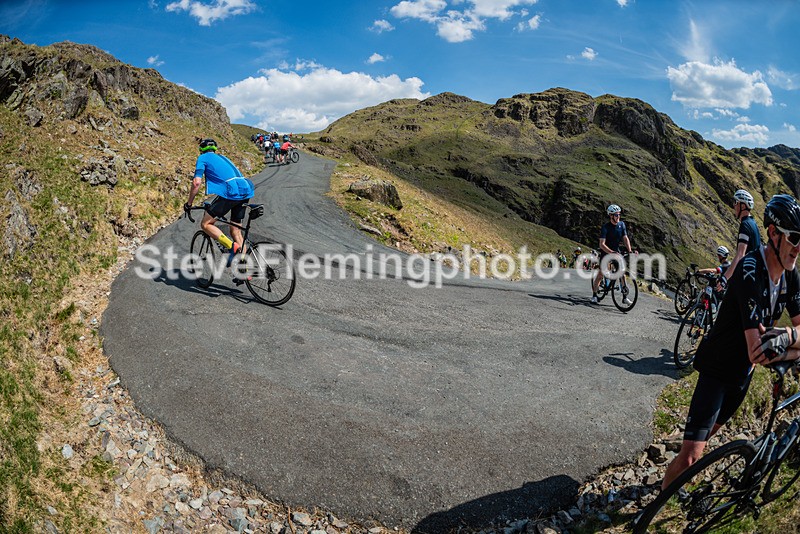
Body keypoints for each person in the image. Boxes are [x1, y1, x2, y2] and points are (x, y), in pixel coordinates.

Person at [659, 194, 800, 491]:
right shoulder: (750, 271)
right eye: (794, 238)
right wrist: (790, 347)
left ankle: (672, 484)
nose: (798, 249)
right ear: (773, 233)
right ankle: (656, 502)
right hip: (718, 371)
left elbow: (782, 339)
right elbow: (757, 351)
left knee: (706, 439)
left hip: (741, 378)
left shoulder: (791, 276)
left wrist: (786, 336)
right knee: (690, 458)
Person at [184, 138, 255, 276]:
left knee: (206, 224)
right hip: (245, 189)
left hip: (230, 192)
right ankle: (244, 270)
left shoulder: (203, 158)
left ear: (201, 149)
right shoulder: (223, 157)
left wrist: (189, 203)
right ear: (215, 149)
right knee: (236, 231)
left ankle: (231, 247)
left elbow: (196, 182)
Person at [591, 204, 634, 304]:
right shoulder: (605, 227)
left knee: (622, 273)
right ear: (610, 216)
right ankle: (594, 295)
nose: (618, 217)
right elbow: (602, 244)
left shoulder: (622, 225)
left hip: (616, 252)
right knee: (600, 275)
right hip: (606, 252)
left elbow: (625, 238)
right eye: (616, 215)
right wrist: (611, 252)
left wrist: (630, 251)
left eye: (619, 215)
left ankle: (625, 297)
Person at [722, 189, 761, 289]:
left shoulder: (745, 225)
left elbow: (740, 255)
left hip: (746, 278)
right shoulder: (753, 224)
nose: (734, 206)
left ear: (743, 206)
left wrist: (725, 278)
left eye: (736, 203)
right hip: (754, 276)